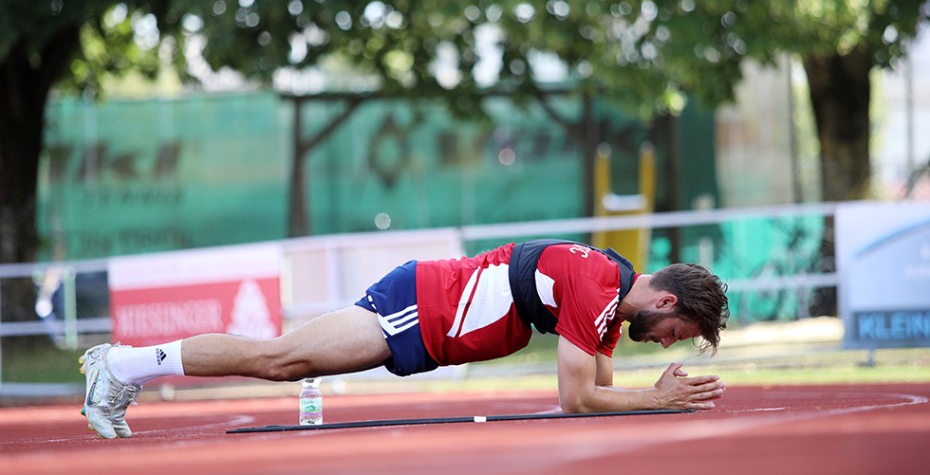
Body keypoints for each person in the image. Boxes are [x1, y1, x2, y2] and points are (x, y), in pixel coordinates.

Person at [80, 239, 729, 439]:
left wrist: (648, 399)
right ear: (666, 300)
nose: (668, 344)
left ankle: (122, 367)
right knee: (279, 358)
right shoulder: (597, 286)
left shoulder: (609, 300)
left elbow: (598, 397)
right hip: (419, 307)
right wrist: (659, 397)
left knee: (278, 357)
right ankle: (119, 364)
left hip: (427, 316)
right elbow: (577, 399)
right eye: (677, 331)